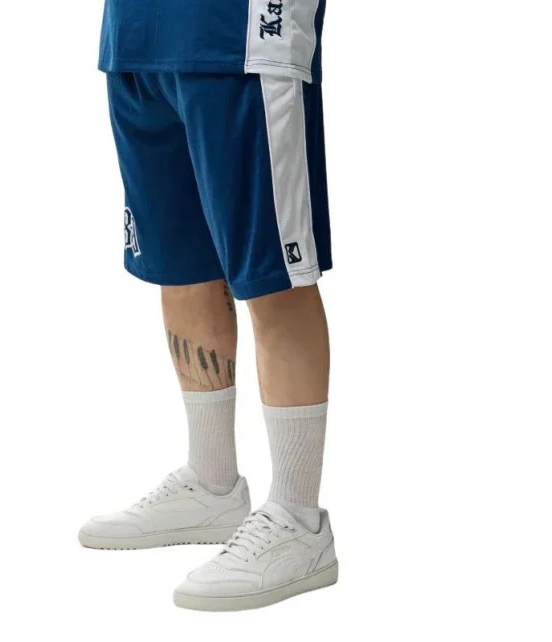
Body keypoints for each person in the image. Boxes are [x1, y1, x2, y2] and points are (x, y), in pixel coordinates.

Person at [79, 0, 338, 611]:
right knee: (180, 259)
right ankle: (212, 482)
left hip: (241, 30)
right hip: (137, 33)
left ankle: (298, 520)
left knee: (273, 275)